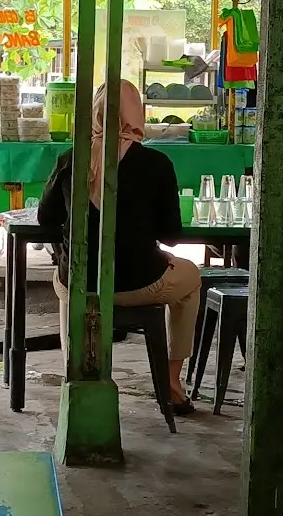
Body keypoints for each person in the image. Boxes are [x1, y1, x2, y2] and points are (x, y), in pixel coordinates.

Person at [38, 82, 200, 414]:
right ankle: (171, 384)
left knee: (70, 280)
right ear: (135, 114)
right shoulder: (156, 164)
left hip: (81, 282)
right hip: (140, 283)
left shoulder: (71, 159)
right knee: (191, 278)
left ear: (94, 114)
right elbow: (170, 235)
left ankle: (78, 372)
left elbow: (46, 219)